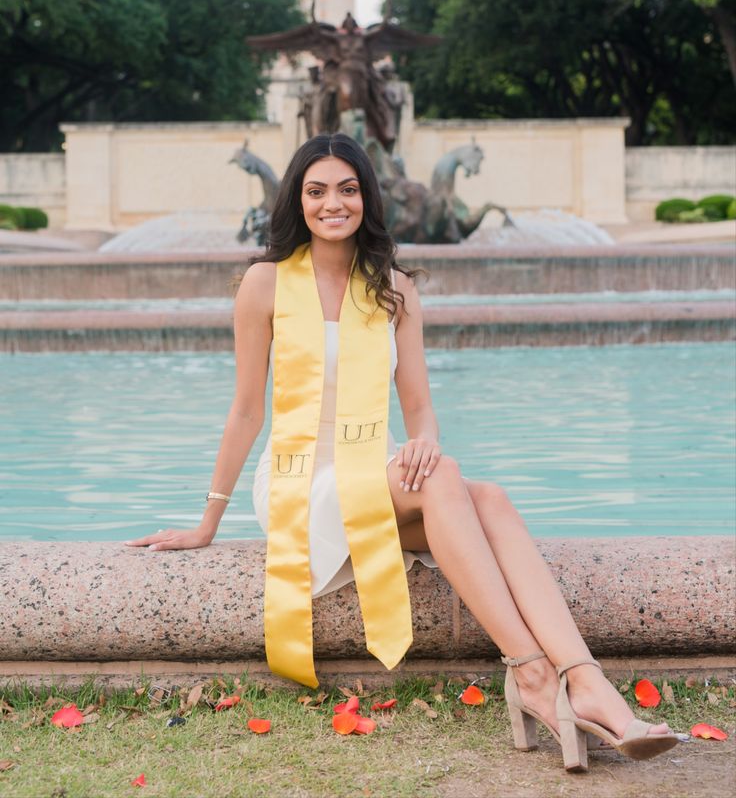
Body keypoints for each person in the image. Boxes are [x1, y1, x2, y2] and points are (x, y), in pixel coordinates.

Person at [125, 133, 677, 773]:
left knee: (485, 495)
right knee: (443, 479)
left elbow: (418, 405)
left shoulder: (394, 289)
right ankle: (535, 674)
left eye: (348, 189)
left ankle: (582, 681)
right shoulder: (265, 284)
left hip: (379, 472)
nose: (333, 203)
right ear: (297, 201)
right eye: (316, 191)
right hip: (304, 481)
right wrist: (207, 522)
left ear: (367, 196)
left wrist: (425, 443)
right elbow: (247, 408)